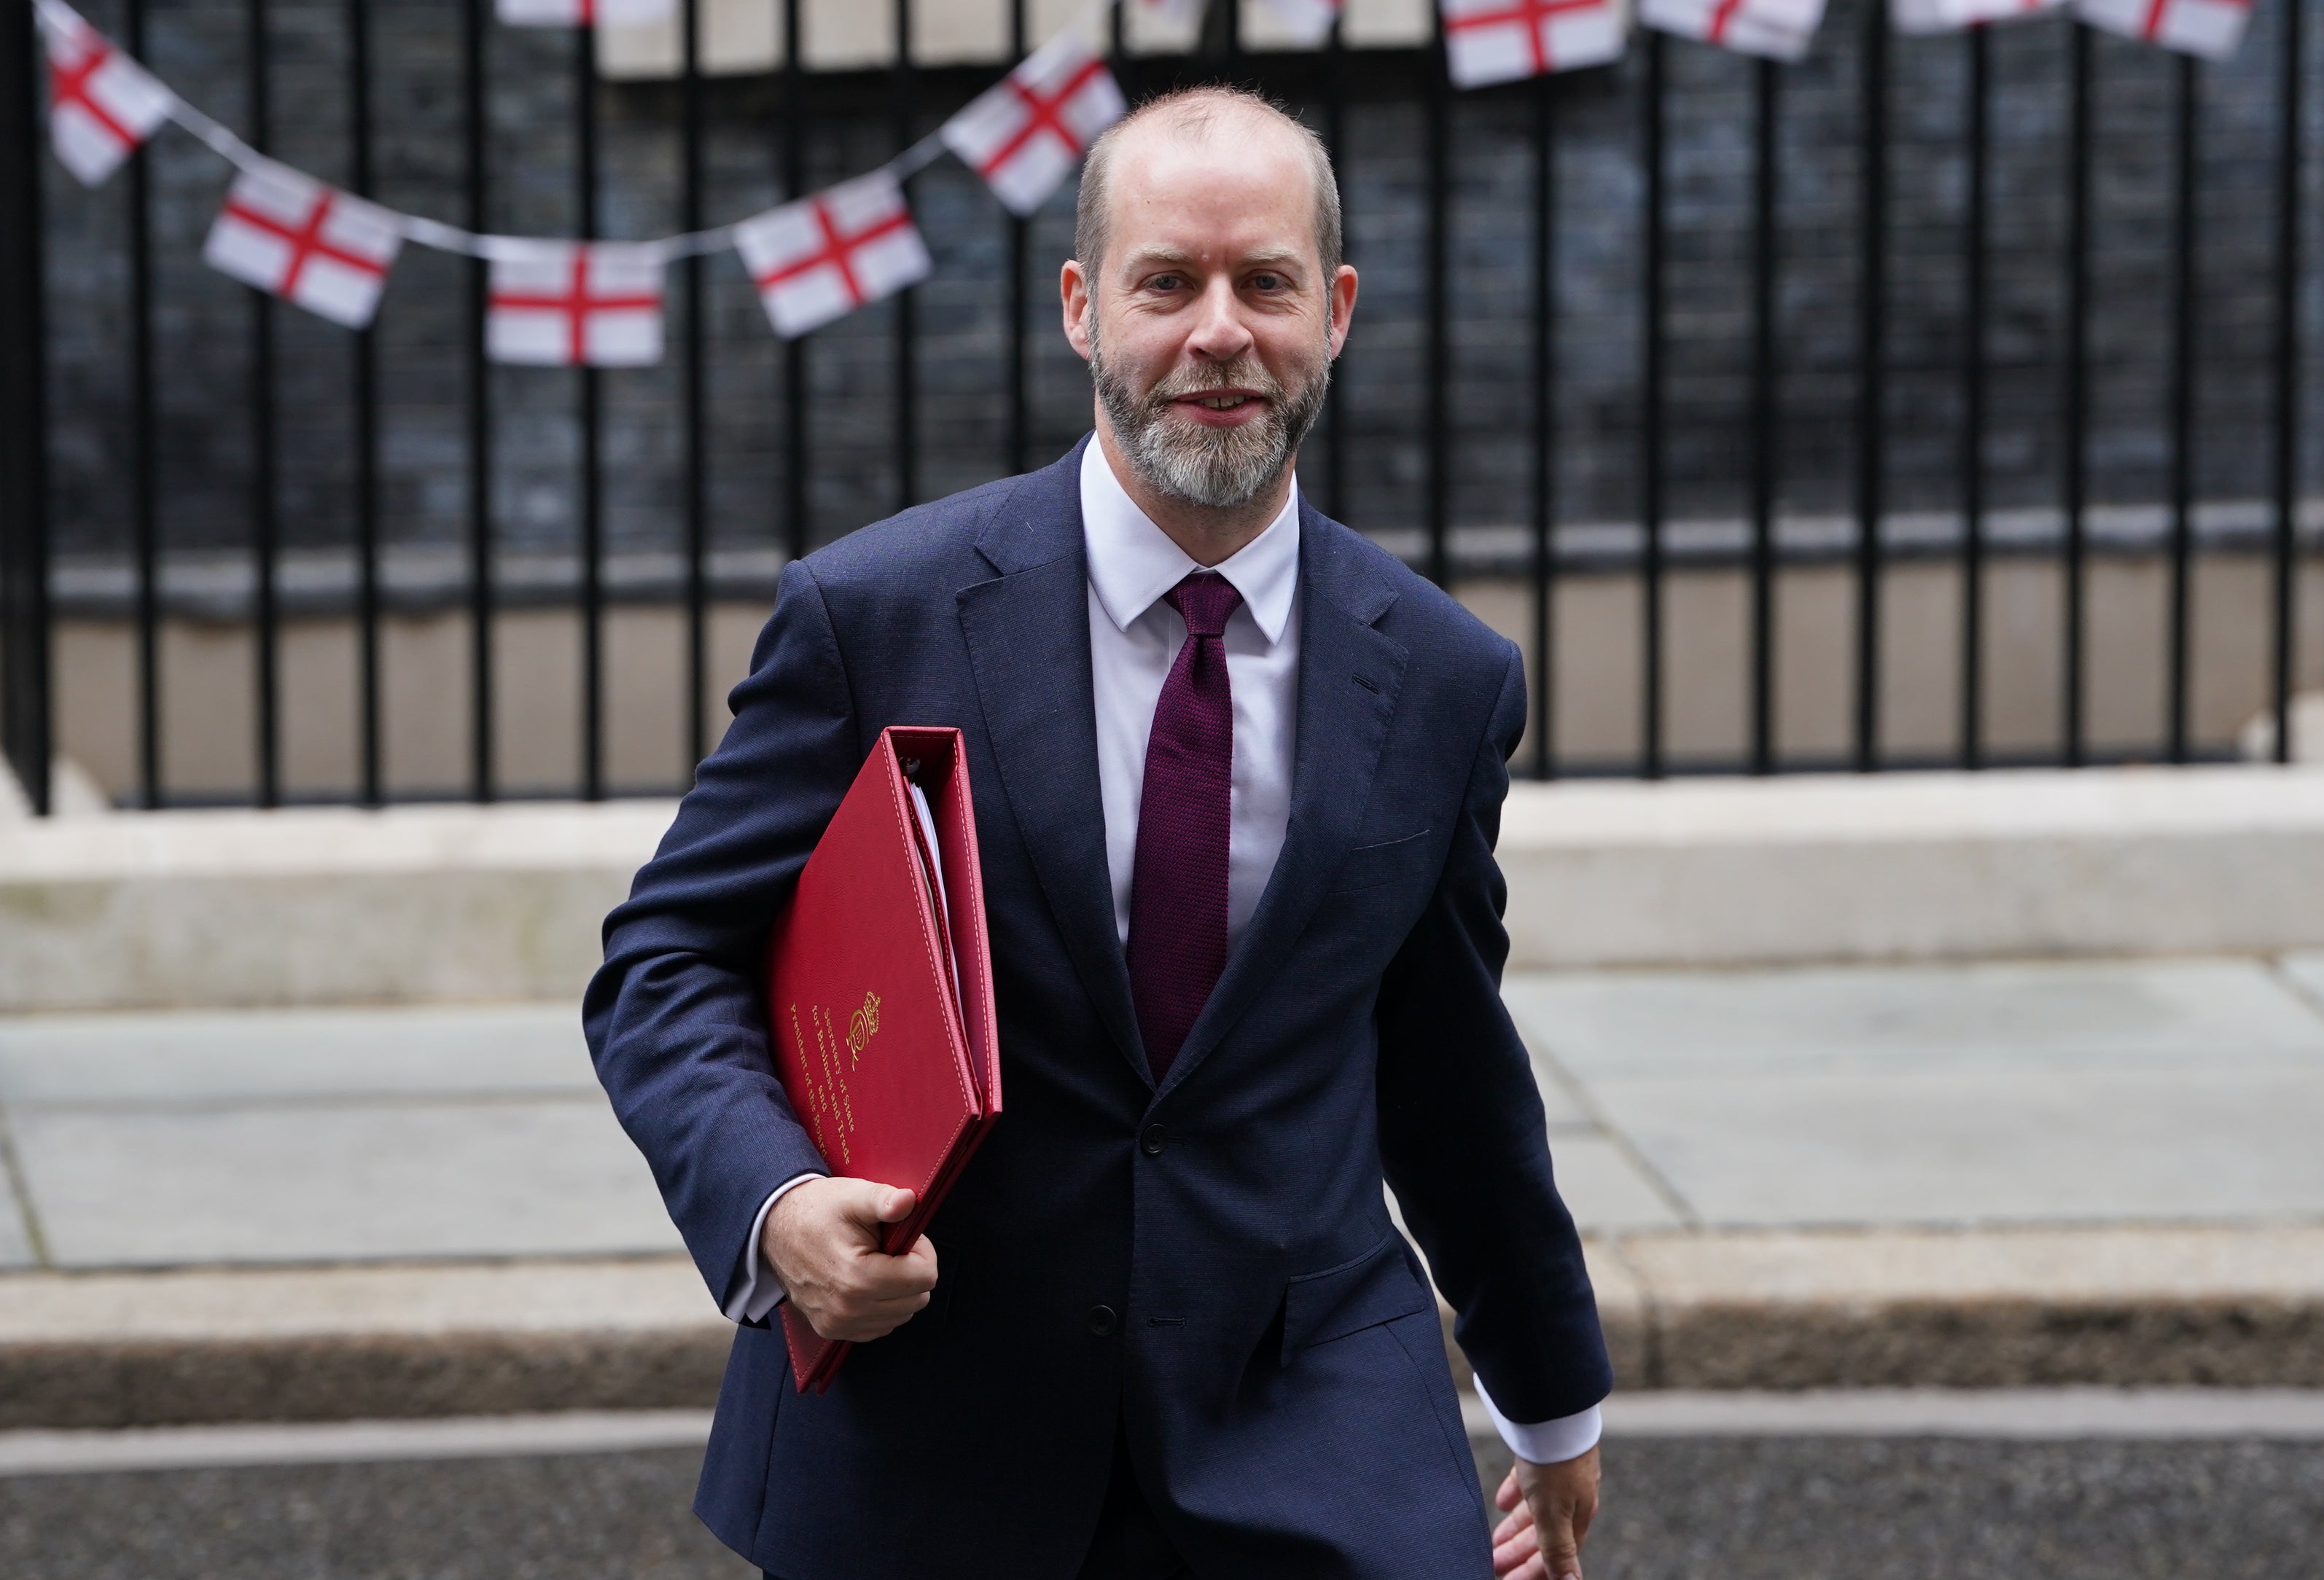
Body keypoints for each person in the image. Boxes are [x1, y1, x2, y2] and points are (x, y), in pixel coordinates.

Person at [585, 85, 1613, 1580]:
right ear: (1081, 308)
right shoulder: (874, 617)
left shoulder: (1447, 679)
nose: (1218, 333)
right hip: (932, 1429)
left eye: (1263, 283)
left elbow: (1446, 1062)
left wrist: (1550, 1403)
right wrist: (779, 1202)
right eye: (1165, 282)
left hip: (1308, 1425)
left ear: (1333, 313)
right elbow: (666, 962)